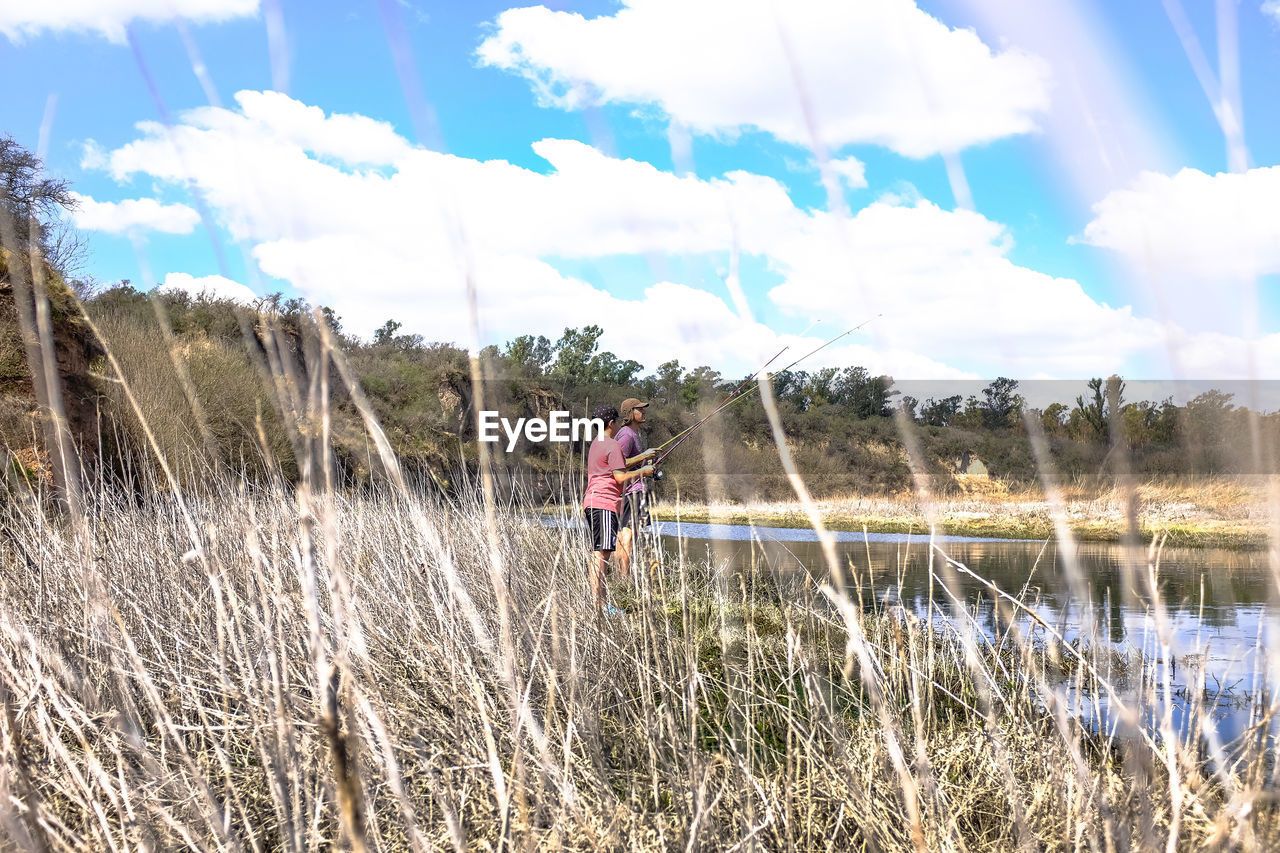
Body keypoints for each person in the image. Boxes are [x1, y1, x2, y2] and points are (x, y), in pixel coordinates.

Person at [583, 404, 655, 614]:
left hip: (592, 501)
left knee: (601, 552)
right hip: (603, 502)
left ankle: (601, 603)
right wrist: (644, 472)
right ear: (611, 423)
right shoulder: (612, 444)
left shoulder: (596, 443)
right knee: (601, 554)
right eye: (616, 423)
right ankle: (599, 605)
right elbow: (620, 477)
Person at [613, 397, 656, 579]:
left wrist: (647, 464)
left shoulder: (632, 434)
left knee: (629, 535)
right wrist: (643, 458)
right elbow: (617, 464)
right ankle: (624, 578)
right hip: (631, 492)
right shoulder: (626, 435)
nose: (643, 411)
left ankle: (620, 577)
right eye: (639, 409)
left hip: (635, 491)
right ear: (630, 413)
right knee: (628, 536)